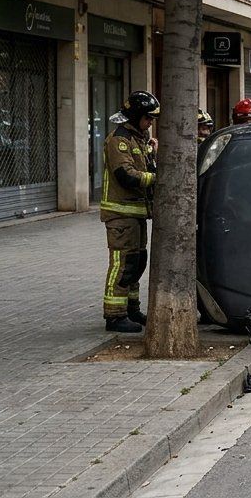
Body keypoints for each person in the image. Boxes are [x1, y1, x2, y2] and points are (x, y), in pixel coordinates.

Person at [99, 91, 160, 333]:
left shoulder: (139, 138)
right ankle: (114, 316)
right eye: (148, 118)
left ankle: (132, 309)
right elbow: (124, 174)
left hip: (136, 214)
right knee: (122, 264)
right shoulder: (119, 140)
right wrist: (156, 179)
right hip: (120, 215)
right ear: (135, 116)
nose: (151, 123)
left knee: (137, 263)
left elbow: (145, 166)